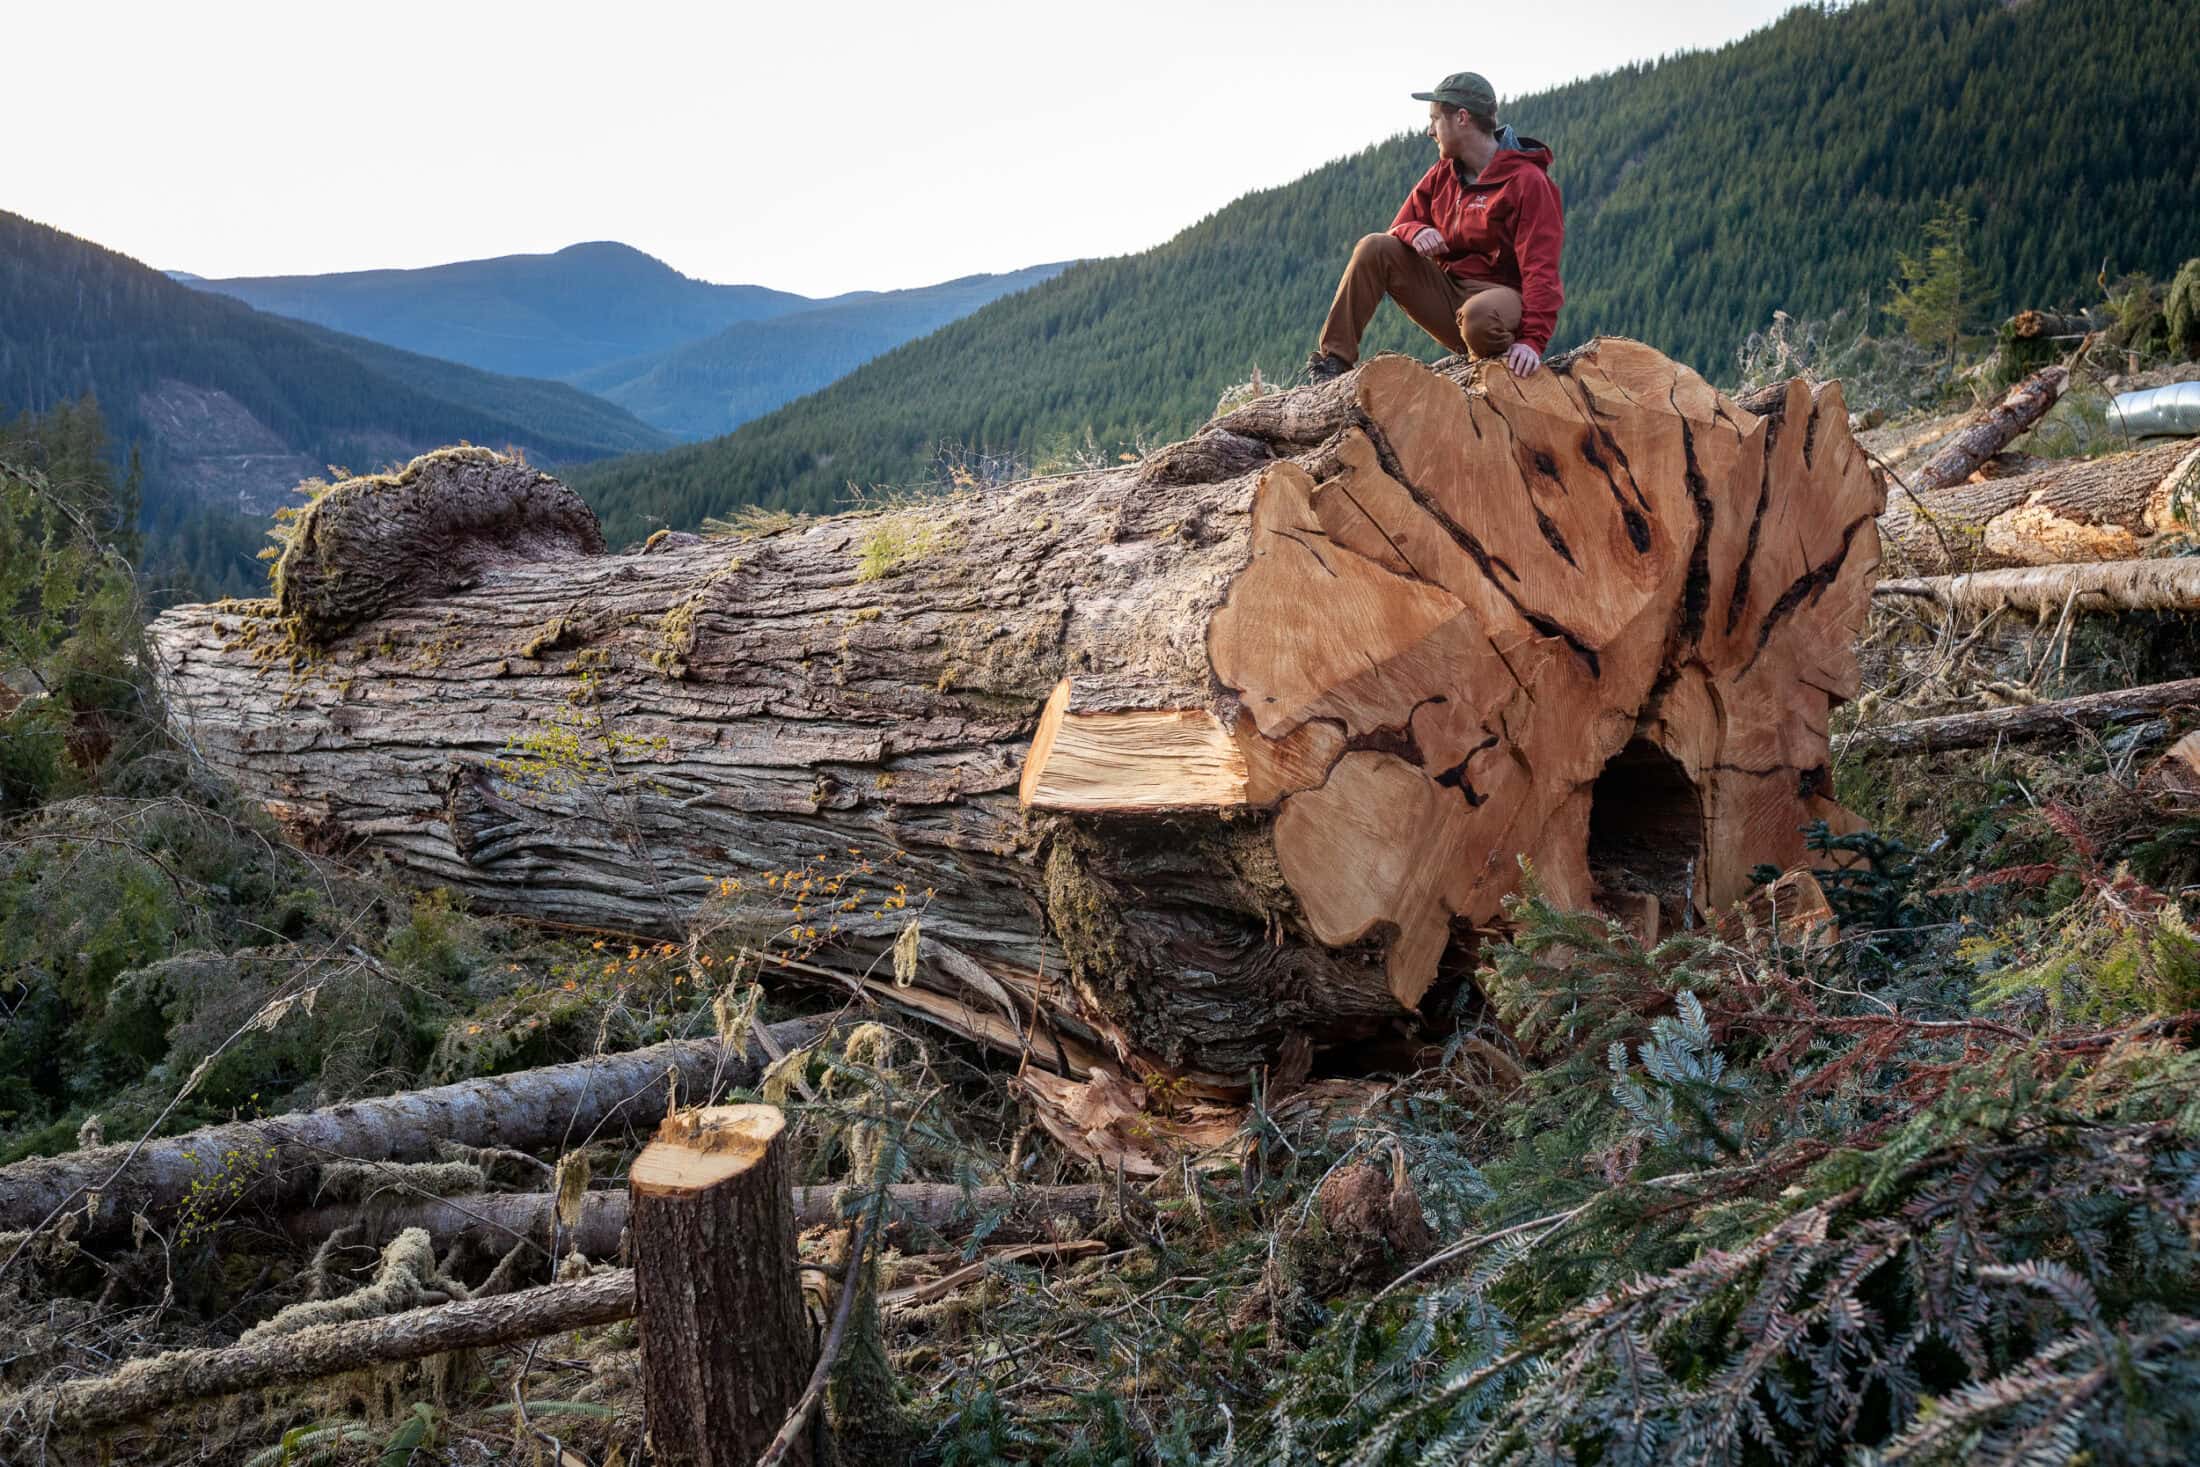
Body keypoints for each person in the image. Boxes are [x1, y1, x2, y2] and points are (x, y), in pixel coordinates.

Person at [1308, 71, 1563, 383]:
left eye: (1435, 119)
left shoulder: (1528, 182)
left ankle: (1492, 366)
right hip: (1446, 292)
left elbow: (1542, 270)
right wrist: (1416, 231)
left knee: (1478, 318)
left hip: (1499, 301)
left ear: (1462, 118)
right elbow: (1400, 225)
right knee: (1374, 247)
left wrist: (1531, 341)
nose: (1430, 131)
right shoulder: (1443, 174)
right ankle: (1332, 365)